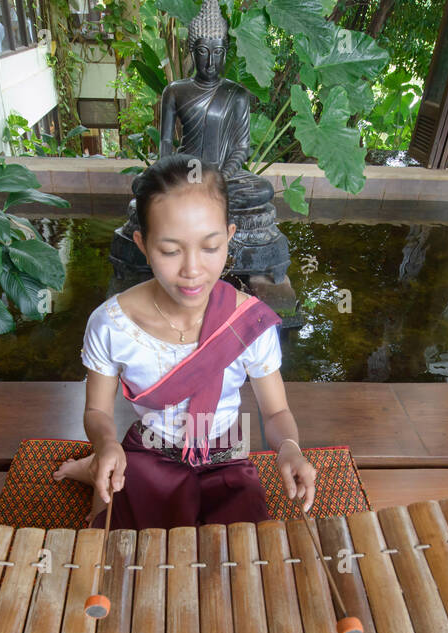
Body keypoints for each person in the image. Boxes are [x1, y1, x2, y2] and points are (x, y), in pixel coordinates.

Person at [53, 153, 315, 531]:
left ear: (229, 236)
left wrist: (289, 447)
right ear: (142, 244)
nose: (192, 270)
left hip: (226, 455)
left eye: (210, 247)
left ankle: (95, 467)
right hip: (149, 451)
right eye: (171, 251)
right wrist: (107, 443)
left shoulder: (248, 322)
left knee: (246, 553)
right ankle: (97, 464)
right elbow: (97, 412)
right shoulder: (111, 324)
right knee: (126, 545)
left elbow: (275, 413)